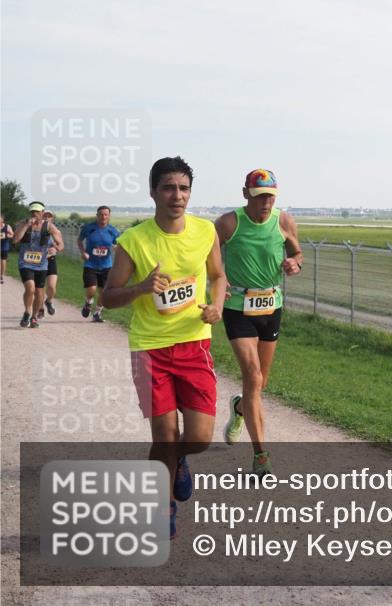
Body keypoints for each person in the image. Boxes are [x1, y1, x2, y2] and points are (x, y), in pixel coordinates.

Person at [103, 157, 226, 538]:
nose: (177, 196)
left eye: (184, 188)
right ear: (153, 192)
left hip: (194, 344)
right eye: (169, 188)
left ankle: (180, 460)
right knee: (164, 436)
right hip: (150, 348)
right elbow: (108, 297)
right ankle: (163, 505)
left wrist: (217, 307)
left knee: (199, 438)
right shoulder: (134, 240)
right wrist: (141, 288)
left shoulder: (205, 231)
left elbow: (219, 276)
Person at [216, 169, 303, 478]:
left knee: (259, 383)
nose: (265, 203)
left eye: (270, 197)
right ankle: (261, 457)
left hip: (271, 306)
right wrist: (218, 280)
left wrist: (295, 263)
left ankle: (240, 408)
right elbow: (207, 256)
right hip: (237, 307)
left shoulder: (284, 221)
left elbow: (297, 252)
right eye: (259, 196)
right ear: (245, 194)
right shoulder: (229, 223)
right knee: (252, 376)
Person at [12, 202, 61, 327]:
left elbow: (60, 244)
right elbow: (15, 240)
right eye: (32, 211)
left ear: (42, 213)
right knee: (30, 288)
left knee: (39, 293)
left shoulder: (49, 226)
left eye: (37, 212)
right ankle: (27, 312)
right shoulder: (23, 224)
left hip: (42, 264)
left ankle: (34, 317)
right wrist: (26, 225)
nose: (34, 214)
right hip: (25, 263)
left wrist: (55, 248)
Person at [78, 205, 121, 323]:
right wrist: (83, 252)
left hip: (106, 265)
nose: (103, 217)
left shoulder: (113, 231)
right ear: (97, 216)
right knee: (91, 289)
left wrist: (116, 248)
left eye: (106, 214)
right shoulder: (89, 228)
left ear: (109, 216)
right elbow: (79, 240)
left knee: (104, 293)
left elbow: (117, 244)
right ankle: (88, 302)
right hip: (90, 264)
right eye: (101, 214)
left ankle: (97, 313)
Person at [38, 210, 65, 319]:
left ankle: (48, 301)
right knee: (40, 287)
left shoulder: (55, 230)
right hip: (38, 261)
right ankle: (40, 309)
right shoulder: (36, 228)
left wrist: (56, 248)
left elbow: (61, 246)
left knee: (52, 286)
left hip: (50, 260)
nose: (46, 217)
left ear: (52, 218)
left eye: (49, 216)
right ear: (41, 216)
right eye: (45, 215)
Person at [0, 213, 13, 283]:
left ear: (2, 219)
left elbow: (12, 235)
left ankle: (2, 275)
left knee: (3, 261)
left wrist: (7, 236)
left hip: (4, 246)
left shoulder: (7, 226)